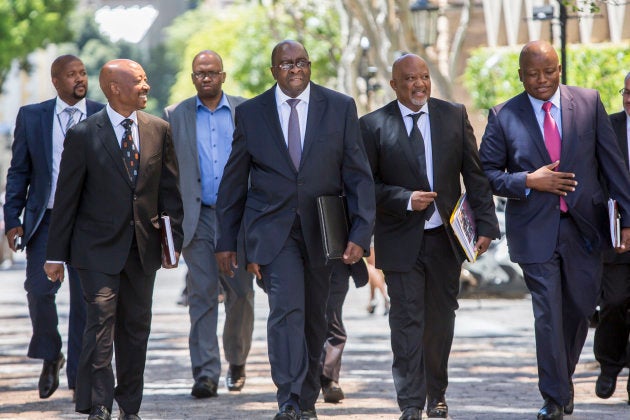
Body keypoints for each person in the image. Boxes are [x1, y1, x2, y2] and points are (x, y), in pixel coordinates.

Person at [215, 40, 375, 420]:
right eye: (286, 64)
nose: (294, 69)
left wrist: (360, 233)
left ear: (310, 66)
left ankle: (305, 400)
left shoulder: (339, 107)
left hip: (326, 230)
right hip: (274, 231)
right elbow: (234, 181)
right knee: (286, 310)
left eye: (301, 62)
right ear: (273, 71)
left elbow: (358, 175)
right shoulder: (252, 113)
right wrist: (226, 240)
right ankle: (288, 397)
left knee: (317, 316)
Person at [479, 40, 630, 420]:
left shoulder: (588, 103)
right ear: (520, 75)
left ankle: (561, 381)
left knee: (579, 308)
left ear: (559, 69)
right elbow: (487, 174)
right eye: (532, 74)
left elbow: (613, 166)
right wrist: (529, 181)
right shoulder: (503, 115)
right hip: (535, 231)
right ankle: (554, 397)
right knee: (547, 312)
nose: (541, 80)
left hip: (586, 229)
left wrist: (627, 219)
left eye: (548, 72)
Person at [360, 53, 499, 420]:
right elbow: (363, 187)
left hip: (445, 239)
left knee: (440, 320)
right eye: (409, 79)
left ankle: (436, 393)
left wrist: (485, 226)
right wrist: (404, 199)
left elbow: (475, 174)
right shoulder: (372, 126)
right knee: (406, 319)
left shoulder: (452, 115)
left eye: (424, 76)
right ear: (393, 85)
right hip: (399, 239)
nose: (419, 84)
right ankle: (409, 402)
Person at [43, 59, 183, 420]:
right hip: (95, 252)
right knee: (101, 323)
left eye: (146, 79)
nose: (146, 86)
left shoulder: (160, 130)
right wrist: (55, 255)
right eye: (139, 80)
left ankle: (129, 407)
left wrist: (173, 240)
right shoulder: (84, 134)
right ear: (114, 88)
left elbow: (170, 194)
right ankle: (100, 405)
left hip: (143, 249)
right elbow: (67, 198)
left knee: (136, 329)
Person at [3, 54, 104, 400]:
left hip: (88, 222)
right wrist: (12, 219)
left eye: (83, 73)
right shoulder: (32, 117)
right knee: (39, 289)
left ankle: (78, 375)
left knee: (86, 301)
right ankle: (51, 353)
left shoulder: (101, 113)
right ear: (56, 81)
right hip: (45, 219)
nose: (80, 79)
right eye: (72, 74)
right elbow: (18, 172)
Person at [163, 50, 255, 398]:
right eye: (200, 73)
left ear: (223, 76)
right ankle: (205, 373)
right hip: (197, 217)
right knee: (201, 294)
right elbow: (167, 171)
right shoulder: (175, 115)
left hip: (238, 217)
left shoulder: (246, 111)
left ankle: (237, 360)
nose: (206, 78)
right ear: (192, 78)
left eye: (212, 72)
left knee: (241, 294)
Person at [593, 72, 630, 403]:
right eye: (626, 92)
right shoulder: (609, 127)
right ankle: (609, 363)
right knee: (615, 302)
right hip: (616, 234)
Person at [319, 259, 368, 404]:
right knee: (305, 318)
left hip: (337, 256)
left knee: (332, 318)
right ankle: (307, 379)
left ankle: (329, 379)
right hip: (302, 255)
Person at [365, 245, 389, 315]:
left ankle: (385, 296)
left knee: (371, 266)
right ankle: (373, 299)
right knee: (375, 268)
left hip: (371, 238)